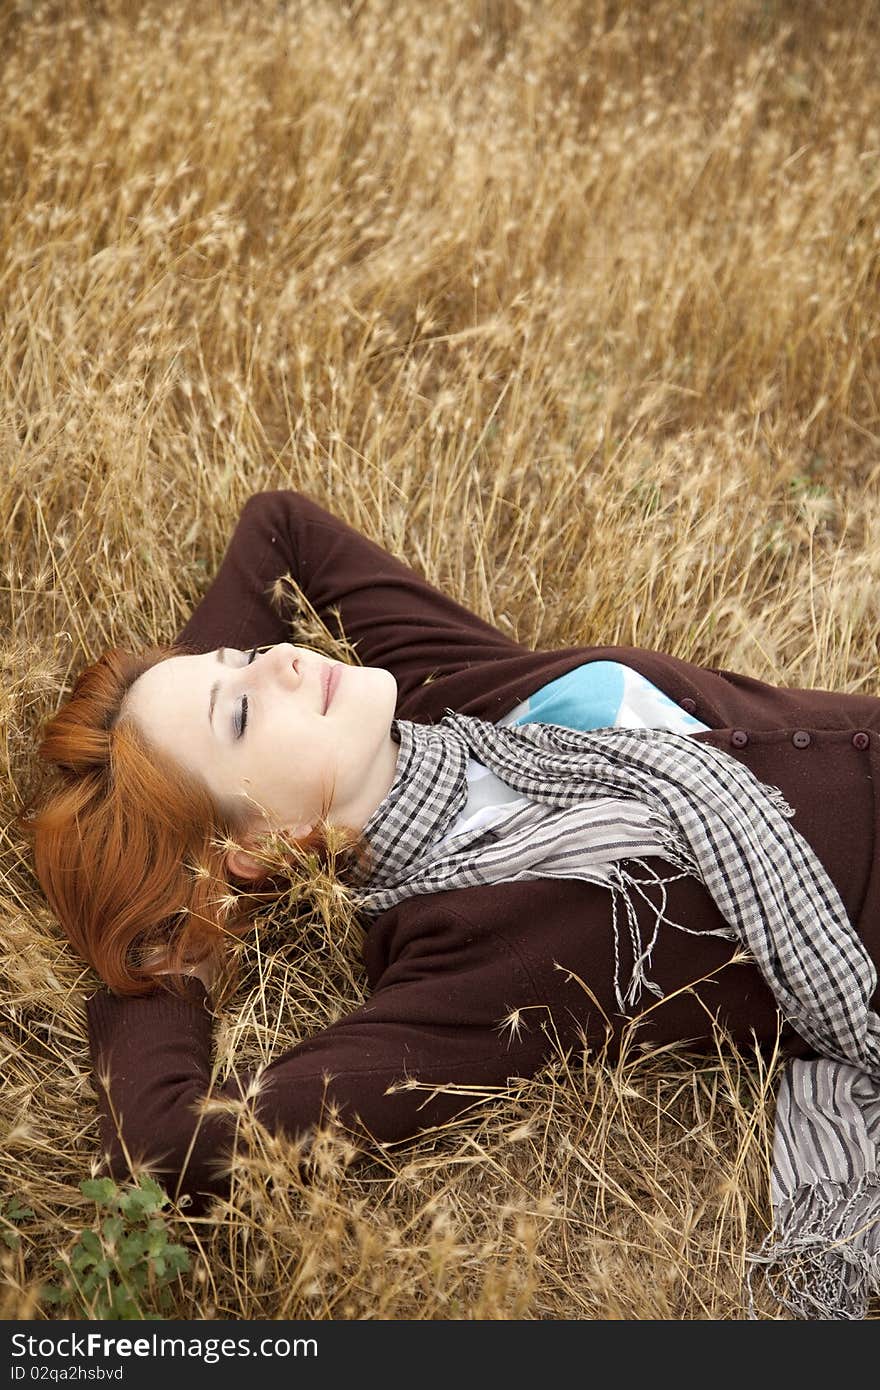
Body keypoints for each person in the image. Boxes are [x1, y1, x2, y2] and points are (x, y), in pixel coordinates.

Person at [18, 488, 880, 1317]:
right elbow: (166, 1148)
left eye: (243, 658)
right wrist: (166, 939)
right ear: (253, 848)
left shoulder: (450, 692)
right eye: (239, 717)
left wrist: (181, 707)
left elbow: (281, 530)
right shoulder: (473, 952)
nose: (280, 659)